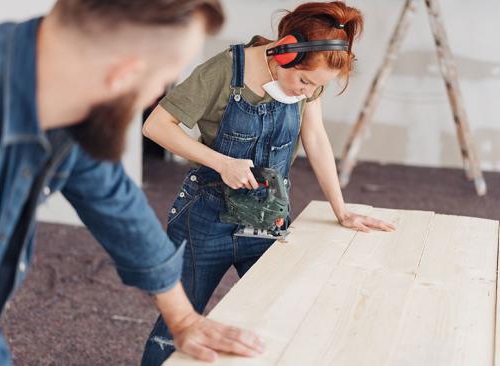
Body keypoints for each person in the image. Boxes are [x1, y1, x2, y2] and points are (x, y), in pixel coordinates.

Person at [0, 1, 265, 365]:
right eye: (162, 81)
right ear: (121, 76)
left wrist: (184, 319)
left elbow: (115, 201)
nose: (157, 94)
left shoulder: (53, 77)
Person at [142, 1, 397, 364]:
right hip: (204, 220)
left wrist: (342, 209)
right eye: (304, 81)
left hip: (268, 219)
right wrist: (221, 162)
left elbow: (317, 138)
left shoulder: (309, 85)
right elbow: (155, 125)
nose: (306, 94)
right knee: (178, 327)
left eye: (316, 88)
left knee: (280, 320)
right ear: (284, 52)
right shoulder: (224, 70)